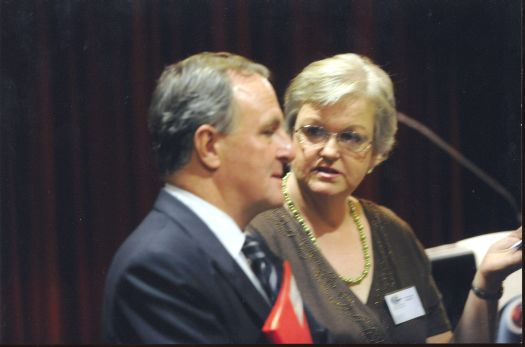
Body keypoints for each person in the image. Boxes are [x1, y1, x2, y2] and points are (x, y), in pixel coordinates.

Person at [247, 53, 523, 343]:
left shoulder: (393, 234)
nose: (329, 150)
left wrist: (487, 281)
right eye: (314, 131)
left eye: (351, 137)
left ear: (376, 153)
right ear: (290, 136)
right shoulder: (256, 230)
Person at [101, 52, 324, 343]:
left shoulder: (256, 252)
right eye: (269, 132)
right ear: (209, 146)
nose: (289, 151)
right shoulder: (156, 267)